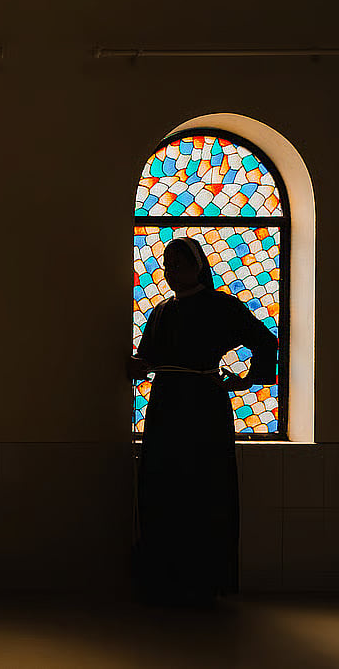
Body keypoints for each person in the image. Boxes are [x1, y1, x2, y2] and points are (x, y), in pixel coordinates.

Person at [128, 236, 278, 605]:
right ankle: (164, 579)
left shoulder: (222, 306)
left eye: (179, 263)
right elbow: (148, 358)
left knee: (204, 487)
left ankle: (203, 581)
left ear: (199, 268)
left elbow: (265, 342)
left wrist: (246, 379)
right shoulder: (161, 311)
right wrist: (137, 367)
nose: (171, 271)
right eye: (167, 264)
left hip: (204, 408)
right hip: (166, 407)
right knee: (163, 486)